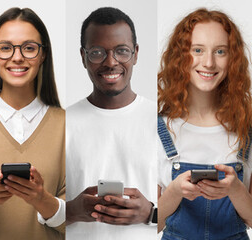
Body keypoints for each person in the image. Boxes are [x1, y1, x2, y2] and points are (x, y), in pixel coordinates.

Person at [0, 7, 65, 240]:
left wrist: (44, 201)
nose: (17, 57)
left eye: (29, 48)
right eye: (5, 48)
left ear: (43, 55)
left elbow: (84, 222)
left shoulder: (68, 125)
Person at [156, 9, 252, 240]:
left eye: (220, 51)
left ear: (233, 59)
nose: (208, 63)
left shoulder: (246, 129)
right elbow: (152, 224)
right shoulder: (158, 129)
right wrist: (176, 191)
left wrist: (236, 190)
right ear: (180, 56)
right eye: (197, 50)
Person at [65, 7, 158, 239]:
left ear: (136, 54)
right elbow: (34, 213)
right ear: (83, 57)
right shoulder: (60, 124)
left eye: (122, 51)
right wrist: (72, 211)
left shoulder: (165, 121)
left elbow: (190, 208)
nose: (110, 62)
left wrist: (152, 214)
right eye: (97, 52)